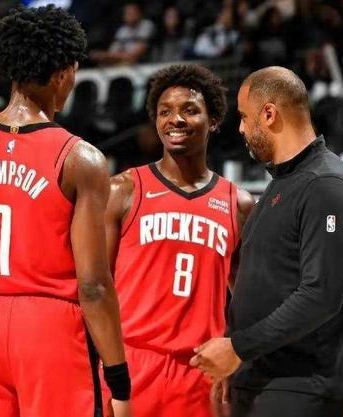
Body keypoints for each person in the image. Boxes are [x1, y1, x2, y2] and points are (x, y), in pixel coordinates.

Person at [0, 6, 131, 417]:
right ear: (62, 74)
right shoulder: (80, 159)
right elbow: (93, 285)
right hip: (50, 330)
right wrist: (118, 376)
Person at [190, 66, 343, 417]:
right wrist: (237, 357)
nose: (240, 128)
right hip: (262, 379)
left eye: (244, 116)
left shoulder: (326, 185)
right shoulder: (283, 183)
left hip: (301, 386)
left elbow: (321, 295)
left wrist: (238, 348)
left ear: (269, 114)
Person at [105, 63, 254, 417]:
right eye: (165, 112)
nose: (176, 120)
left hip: (202, 369)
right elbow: (95, 285)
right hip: (131, 362)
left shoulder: (238, 203)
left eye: (190, 110)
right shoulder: (123, 190)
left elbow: (248, 297)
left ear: (213, 120)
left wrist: (236, 351)